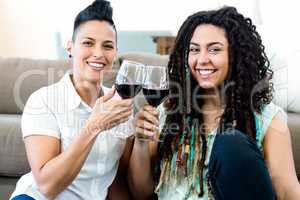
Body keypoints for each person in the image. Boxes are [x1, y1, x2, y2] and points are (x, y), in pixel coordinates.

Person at [128, 6, 300, 200]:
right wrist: (141, 144)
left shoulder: (267, 118)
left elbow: (287, 192)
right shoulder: (168, 112)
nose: (202, 59)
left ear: (236, 55)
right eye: (194, 50)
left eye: (214, 49)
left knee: (231, 142)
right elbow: (140, 194)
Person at [10, 0, 134, 199]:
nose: (98, 53)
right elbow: (47, 186)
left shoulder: (120, 105)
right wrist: (94, 125)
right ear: (70, 47)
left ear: (115, 54)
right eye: (88, 43)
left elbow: (116, 181)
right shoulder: (43, 101)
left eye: (108, 46)